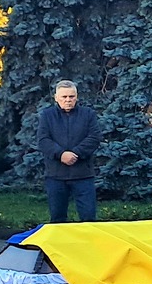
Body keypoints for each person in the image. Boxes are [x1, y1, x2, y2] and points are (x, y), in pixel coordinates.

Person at [37, 80, 103, 223]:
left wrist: (76, 153)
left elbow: (94, 137)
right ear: (56, 98)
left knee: (89, 218)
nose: (68, 100)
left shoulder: (88, 114)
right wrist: (61, 154)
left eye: (71, 97)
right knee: (57, 219)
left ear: (77, 97)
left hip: (83, 175)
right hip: (55, 175)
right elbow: (43, 140)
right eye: (64, 97)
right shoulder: (47, 116)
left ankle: (88, 245)